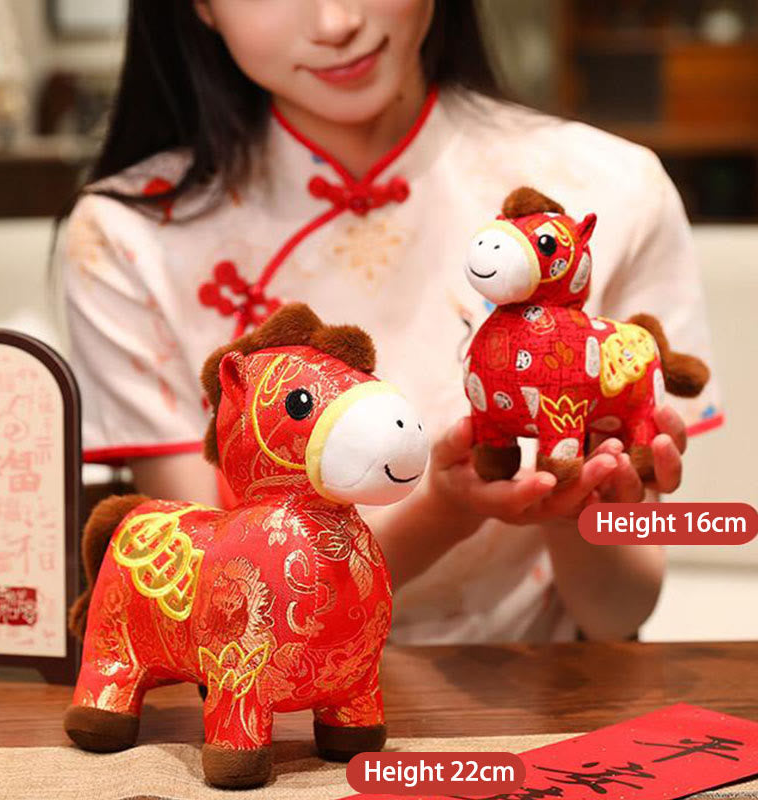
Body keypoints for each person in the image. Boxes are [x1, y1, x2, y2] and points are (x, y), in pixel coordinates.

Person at [61, 0, 722, 644]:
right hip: (275, 699)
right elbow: (225, 612)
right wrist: (443, 510)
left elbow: (617, 612)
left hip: (546, 685)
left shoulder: (613, 186)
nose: (336, 24)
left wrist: (572, 502)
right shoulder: (128, 238)